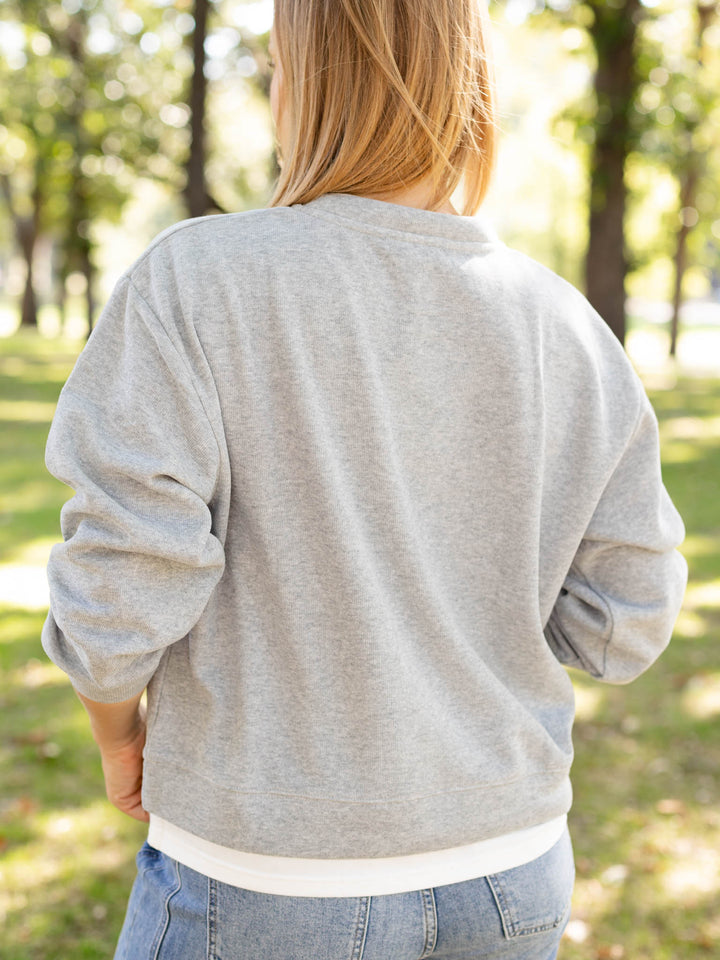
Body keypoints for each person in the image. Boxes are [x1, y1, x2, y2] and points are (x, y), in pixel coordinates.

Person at [42, 1, 687, 958]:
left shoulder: (199, 278)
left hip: (267, 876)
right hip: (510, 869)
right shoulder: (562, 323)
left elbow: (121, 583)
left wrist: (117, 737)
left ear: (302, 81)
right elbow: (625, 617)